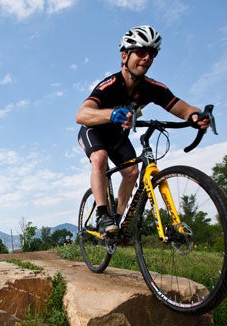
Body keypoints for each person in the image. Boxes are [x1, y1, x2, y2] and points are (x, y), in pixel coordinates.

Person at [76, 25, 209, 234]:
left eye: (152, 53)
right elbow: (81, 115)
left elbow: (183, 109)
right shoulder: (110, 85)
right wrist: (110, 114)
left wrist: (195, 115)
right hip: (93, 130)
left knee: (132, 172)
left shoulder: (152, 88)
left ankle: (117, 222)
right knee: (100, 158)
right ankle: (102, 215)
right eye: (141, 51)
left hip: (117, 135)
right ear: (124, 56)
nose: (147, 58)